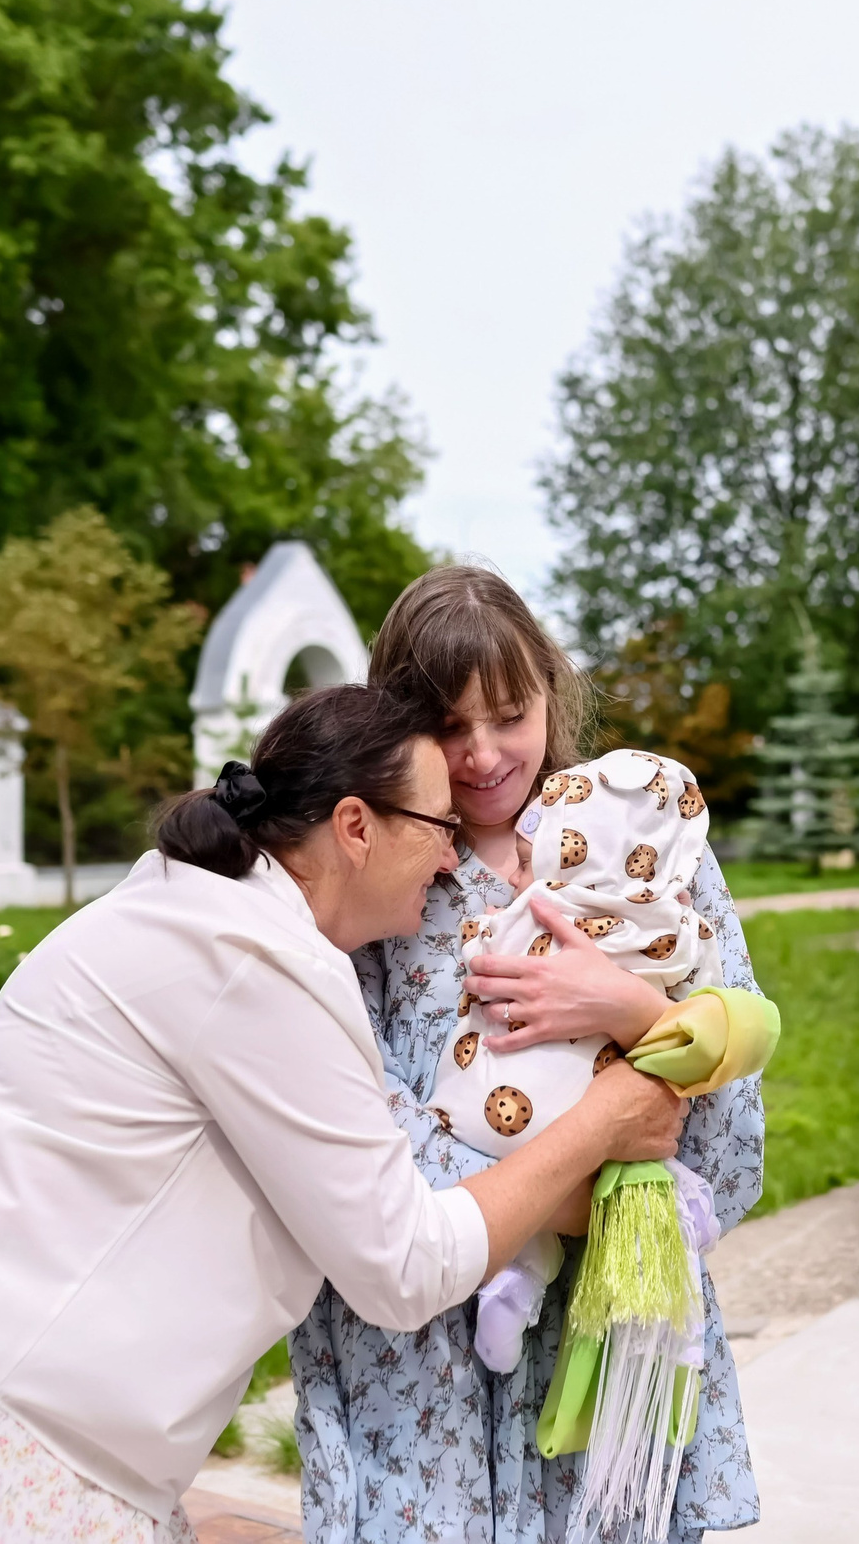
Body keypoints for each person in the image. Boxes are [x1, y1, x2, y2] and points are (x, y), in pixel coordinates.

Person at [0, 683, 688, 1544]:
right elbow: (402, 1265)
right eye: (436, 827)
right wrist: (603, 1118)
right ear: (355, 825)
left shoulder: (207, 909)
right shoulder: (252, 961)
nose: (446, 863)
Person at [289, 566, 765, 1544]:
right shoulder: (374, 874)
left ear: (551, 690)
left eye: (507, 714)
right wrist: (560, 1197)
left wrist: (629, 1008)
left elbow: (730, 1149)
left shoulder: (649, 852)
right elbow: (357, 1137)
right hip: (426, 1372)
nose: (480, 754)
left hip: (609, 1342)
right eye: (446, 726)